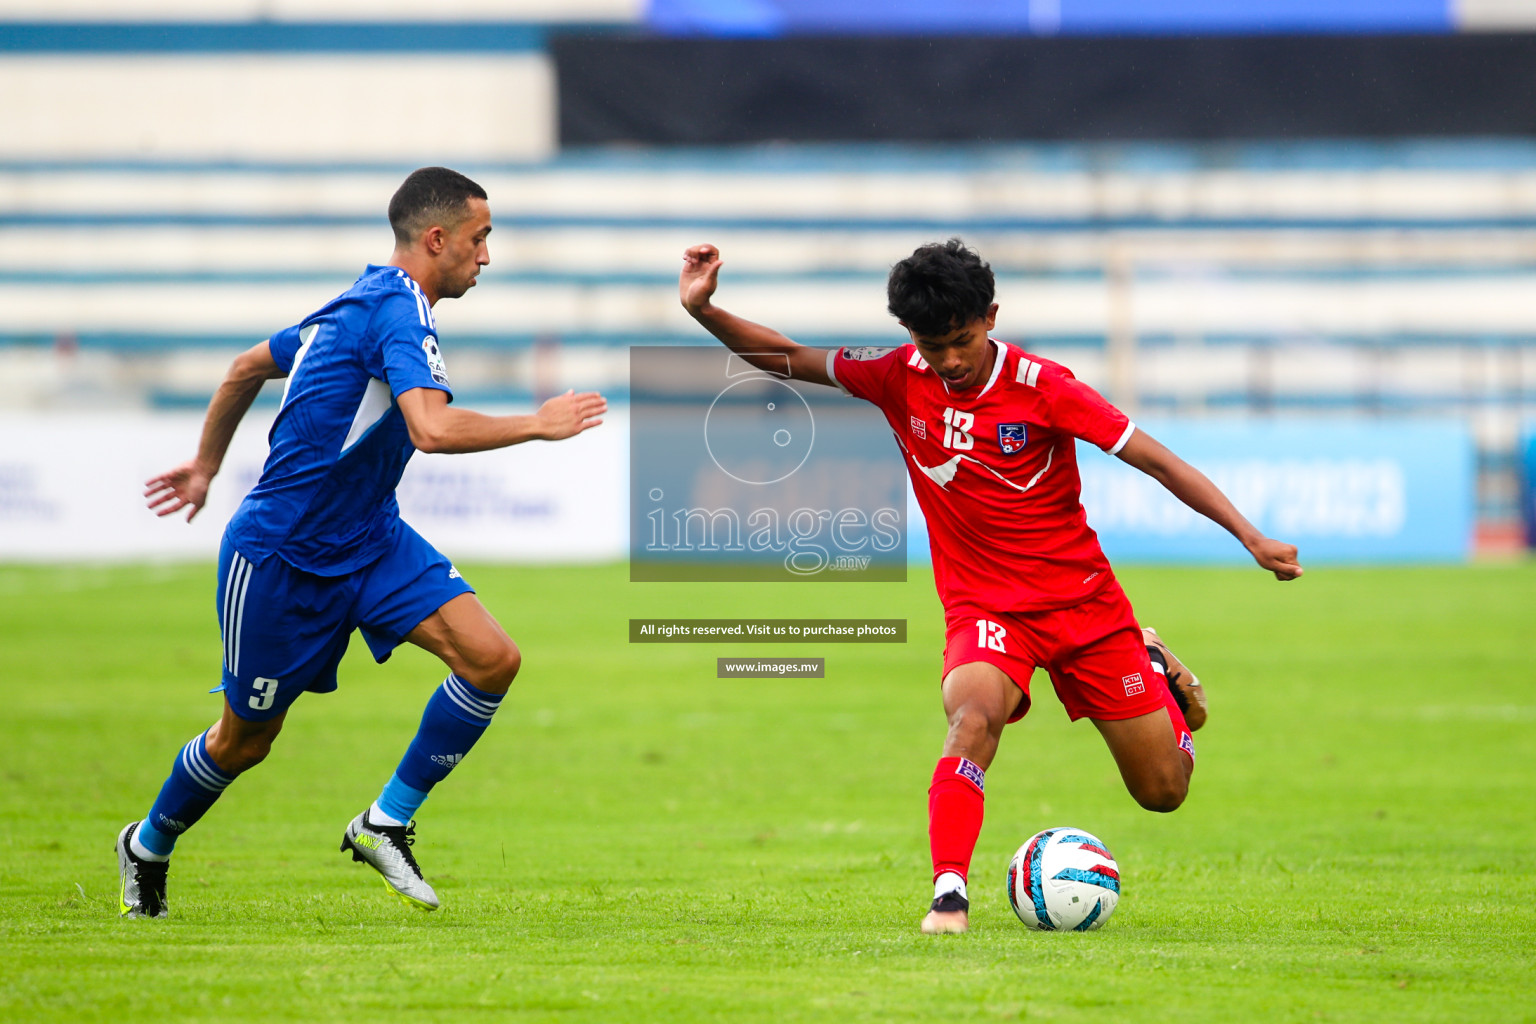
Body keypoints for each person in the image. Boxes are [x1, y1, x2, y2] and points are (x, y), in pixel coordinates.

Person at [678, 239, 1302, 934]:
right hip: (985, 610)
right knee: (971, 720)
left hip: (1085, 608)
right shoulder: (895, 375)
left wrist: (1250, 536)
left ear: (992, 317)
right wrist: (704, 310)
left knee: (1163, 792)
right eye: (930, 343)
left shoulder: (1045, 388)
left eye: (961, 341)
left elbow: (1158, 461)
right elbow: (789, 356)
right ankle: (949, 896)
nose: (947, 360)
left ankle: (1152, 664)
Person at [117, 167, 607, 919]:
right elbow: (432, 429)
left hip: (370, 538)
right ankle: (146, 845)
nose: (486, 257)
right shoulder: (395, 311)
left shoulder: (361, 300)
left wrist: (207, 464)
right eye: (479, 240)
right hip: (282, 554)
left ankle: (384, 822)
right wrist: (537, 424)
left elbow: (247, 365)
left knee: (492, 659)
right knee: (245, 742)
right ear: (436, 239)